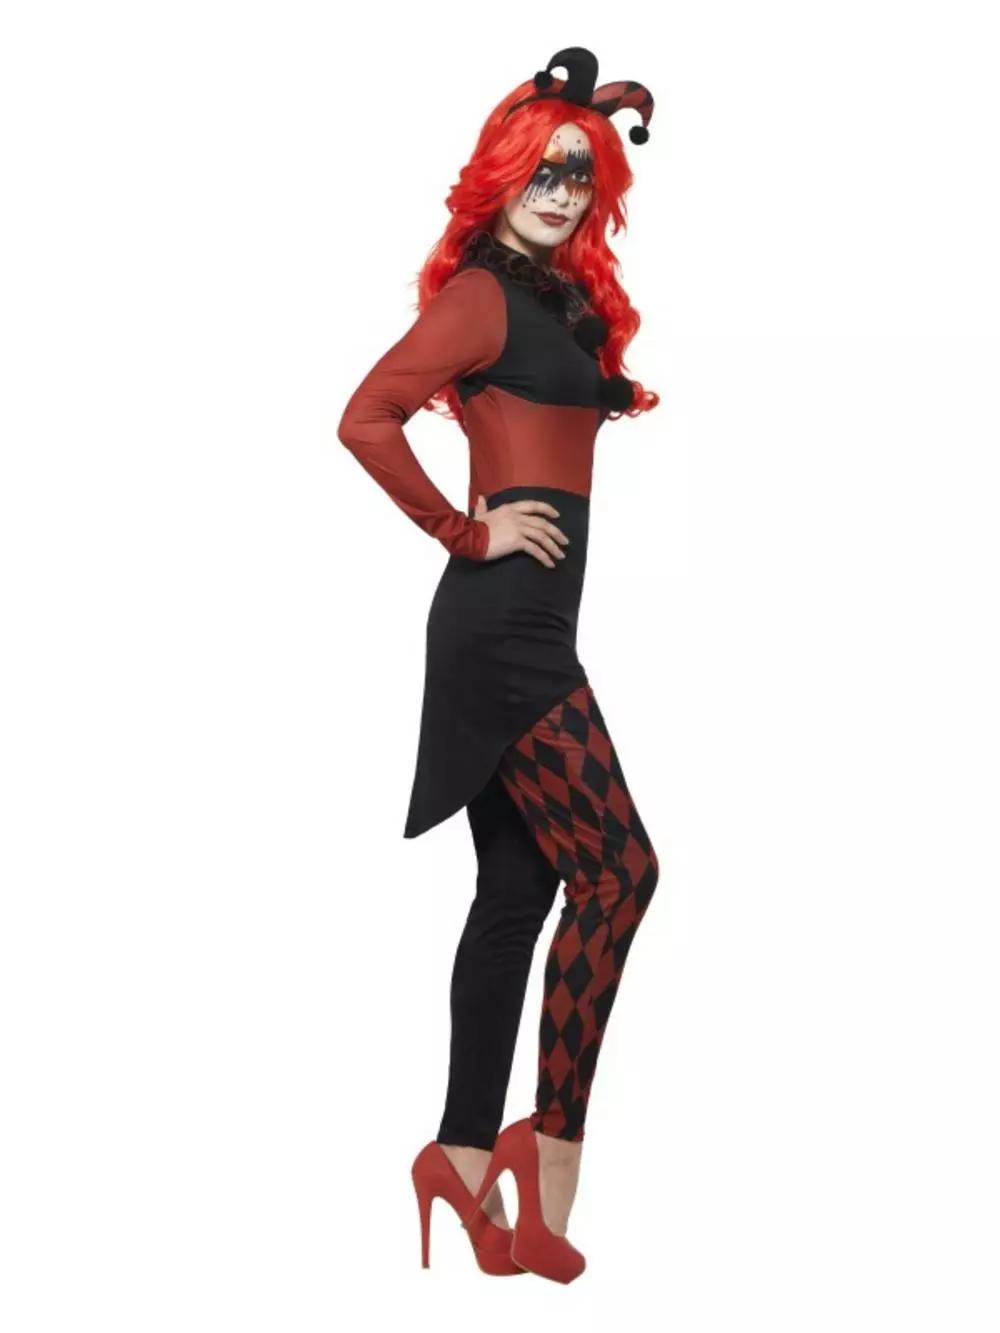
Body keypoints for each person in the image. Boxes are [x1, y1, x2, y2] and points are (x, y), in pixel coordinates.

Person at [338, 46, 661, 1284]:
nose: (562, 190)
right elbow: (364, 415)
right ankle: (550, 1141)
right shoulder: (481, 293)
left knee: (520, 896)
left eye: (581, 173)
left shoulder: (553, 299)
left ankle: (463, 1152)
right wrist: (464, 530)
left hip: (535, 626)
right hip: (501, 632)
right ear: (502, 172)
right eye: (543, 168)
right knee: (621, 872)